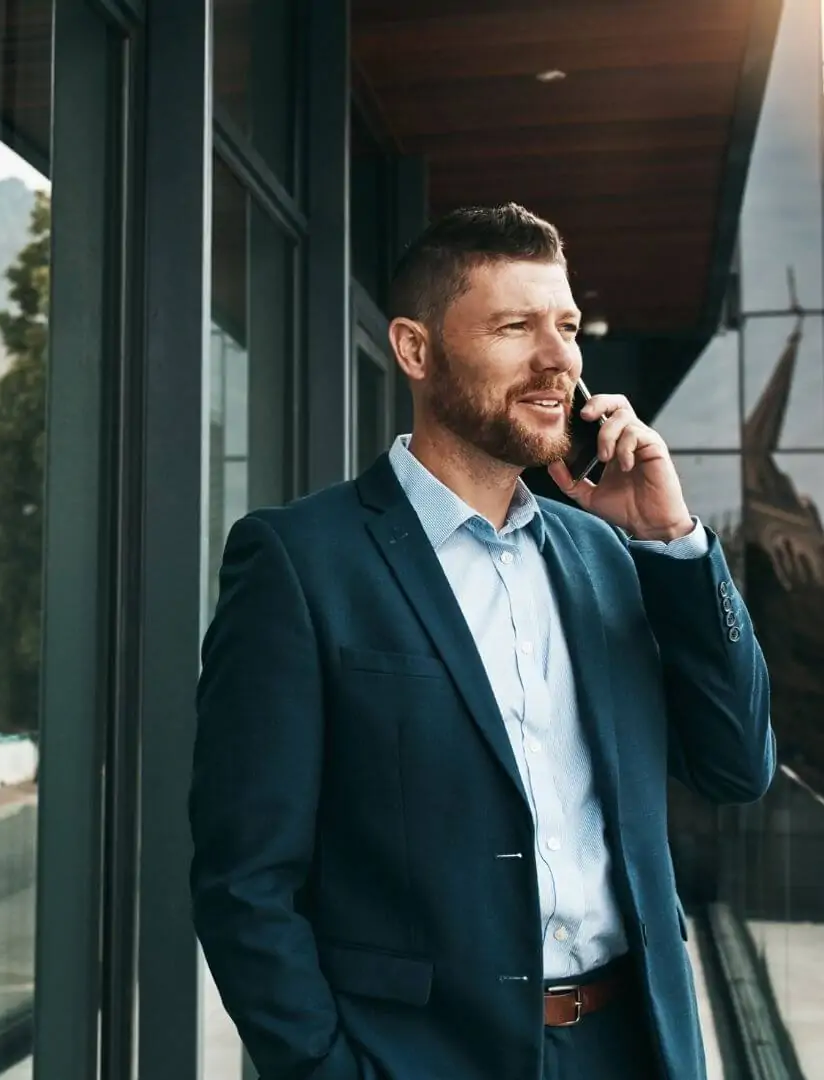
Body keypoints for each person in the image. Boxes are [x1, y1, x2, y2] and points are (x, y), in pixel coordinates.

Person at [190, 204, 774, 1080]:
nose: (559, 359)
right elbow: (244, 882)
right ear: (416, 350)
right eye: (515, 326)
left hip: (635, 1047)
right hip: (423, 1058)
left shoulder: (611, 553)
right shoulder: (300, 563)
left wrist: (675, 542)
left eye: (567, 327)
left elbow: (736, 765)